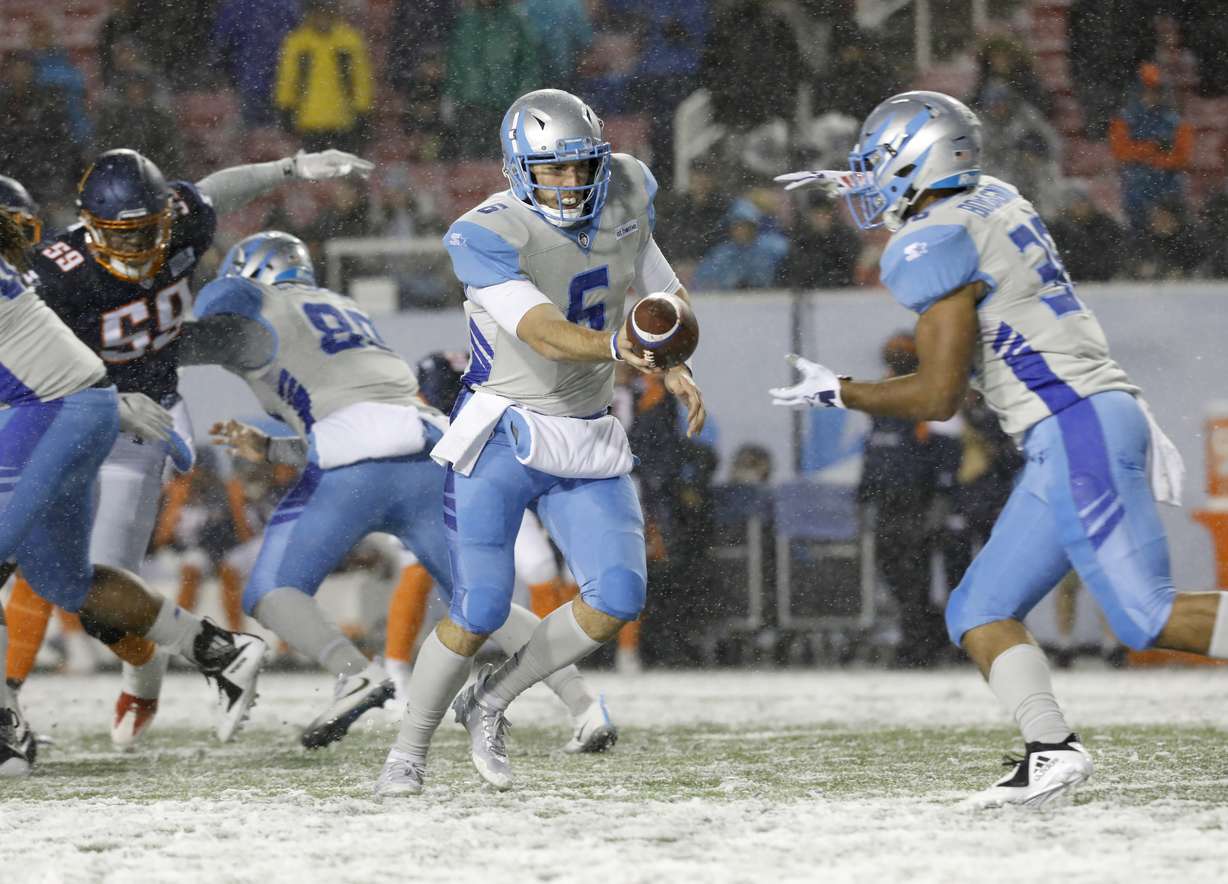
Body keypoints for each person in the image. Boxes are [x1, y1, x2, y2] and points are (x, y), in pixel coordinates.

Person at [771, 90, 1223, 808]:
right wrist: (869, 184)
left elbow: (937, 397)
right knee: (979, 607)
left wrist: (842, 391)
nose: (869, 183)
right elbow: (951, 212)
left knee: (1147, 616)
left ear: (918, 163)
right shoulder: (996, 197)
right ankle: (1051, 751)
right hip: (1080, 421)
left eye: (878, 166)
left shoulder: (931, 244)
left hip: (1074, 425)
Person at [376, 88, 705, 796]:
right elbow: (542, 333)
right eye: (553, 171)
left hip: (584, 432)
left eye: (582, 167)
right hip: (505, 428)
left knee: (617, 595)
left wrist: (670, 355)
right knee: (481, 606)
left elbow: (658, 282)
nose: (572, 183)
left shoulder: (628, 185)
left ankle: (490, 700)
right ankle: (406, 752)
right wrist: (620, 347)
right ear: (517, 169)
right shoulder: (487, 232)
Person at [181, 232, 613, 752]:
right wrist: (274, 451)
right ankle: (585, 707)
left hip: (354, 466)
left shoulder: (256, 304)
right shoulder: (341, 307)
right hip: (427, 451)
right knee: (481, 602)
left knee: (270, 590)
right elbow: (366, 412)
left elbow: (207, 327)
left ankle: (353, 672)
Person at [2, 147, 374, 750]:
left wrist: (290, 169)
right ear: (89, 227)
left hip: (149, 416)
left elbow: (215, 191)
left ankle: (148, 678)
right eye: (122, 236)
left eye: (148, 232)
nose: (136, 247)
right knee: (43, 566)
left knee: (101, 588)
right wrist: (105, 399)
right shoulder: (56, 273)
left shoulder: (181, 217)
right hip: (72, 410)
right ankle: (20, 705)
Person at [0, 209, 267, 776]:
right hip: (82, 412)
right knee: (65, 582)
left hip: (55, 416)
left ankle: (4, 729)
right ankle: (219, 650)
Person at [274, 0, 374, 153]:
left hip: (342, 120)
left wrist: (362, 109)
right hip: (308, 121)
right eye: (318, 11)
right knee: (313, 171)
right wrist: (286, 107)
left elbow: (360, 79)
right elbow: (288, 78)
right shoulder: (299, 42)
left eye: (326, 10)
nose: (322, 16)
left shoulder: (348, 41)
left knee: (340, 169)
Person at [1109, 63, 1192, 232]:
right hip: (1137, 186)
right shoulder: (1124, 120)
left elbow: (1182, 157)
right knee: (1138, 230)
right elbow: (1121, 153)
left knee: (1175, 233)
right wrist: (1153, 148)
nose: (1151, 96)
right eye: (1147, 90)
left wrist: (1147, 156)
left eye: (1156, 91)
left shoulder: (1177, 122)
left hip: (1168, 185)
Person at [693, 199, 789, 291]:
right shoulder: (721, 254)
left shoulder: (774, 247)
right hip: (730, 304)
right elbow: (702, 280)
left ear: (754, 226)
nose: (741, 230)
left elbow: (789, 270)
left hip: (771, 300)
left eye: (745, 225)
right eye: (737, 226)